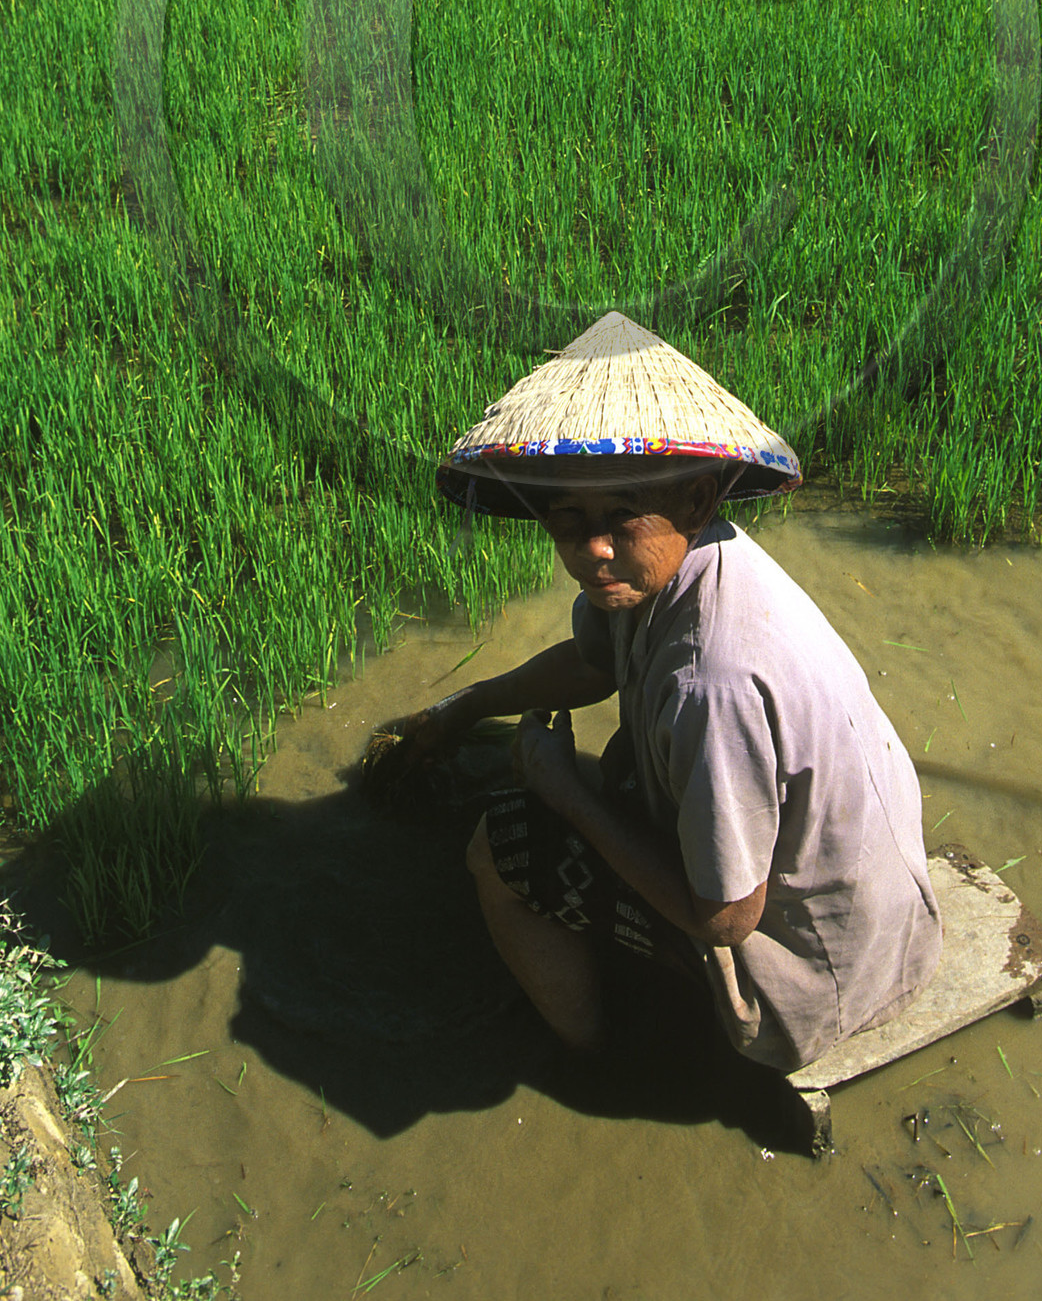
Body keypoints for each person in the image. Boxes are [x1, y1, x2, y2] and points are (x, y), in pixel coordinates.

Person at [363, 313, 942, 1079]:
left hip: (808, 988)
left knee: (496, 852)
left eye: (620, 517)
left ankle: (590, 1061)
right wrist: (464, 707)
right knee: (617, 774)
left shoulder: (714, 681)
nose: (592, 549)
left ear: (696, 499)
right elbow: (591, 663)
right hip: (880, 925)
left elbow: (726, 918)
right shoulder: (682, 563)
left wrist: (564, 792)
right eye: (568, 520)